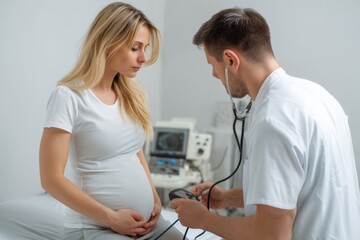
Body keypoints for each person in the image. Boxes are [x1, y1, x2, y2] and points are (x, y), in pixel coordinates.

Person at [170, 7, 360, 240]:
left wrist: (203, 219)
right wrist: (227, 198)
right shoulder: (317, 95)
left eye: (213, 65)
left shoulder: (273, 120)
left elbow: (271, 235)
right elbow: (302, 188)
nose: (215, 75)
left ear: (230, 59)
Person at [39, 2, 183, 239]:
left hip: (149, 224)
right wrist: (112, 218)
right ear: (108, 42)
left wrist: (154, 199)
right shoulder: (68, 96)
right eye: (135, 48)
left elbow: (134, 152)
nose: (143, 57)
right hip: (96, 227)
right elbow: (50, 180)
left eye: (145, 48)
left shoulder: (131, 95)